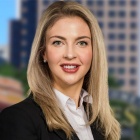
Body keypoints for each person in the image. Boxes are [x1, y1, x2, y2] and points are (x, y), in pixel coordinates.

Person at [0, 1, 121, 140]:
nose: (70, 54)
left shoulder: (102, 124)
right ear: (43, 52)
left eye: (82, 43)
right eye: (58, 42)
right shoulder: (17, 118)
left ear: (94, 52)